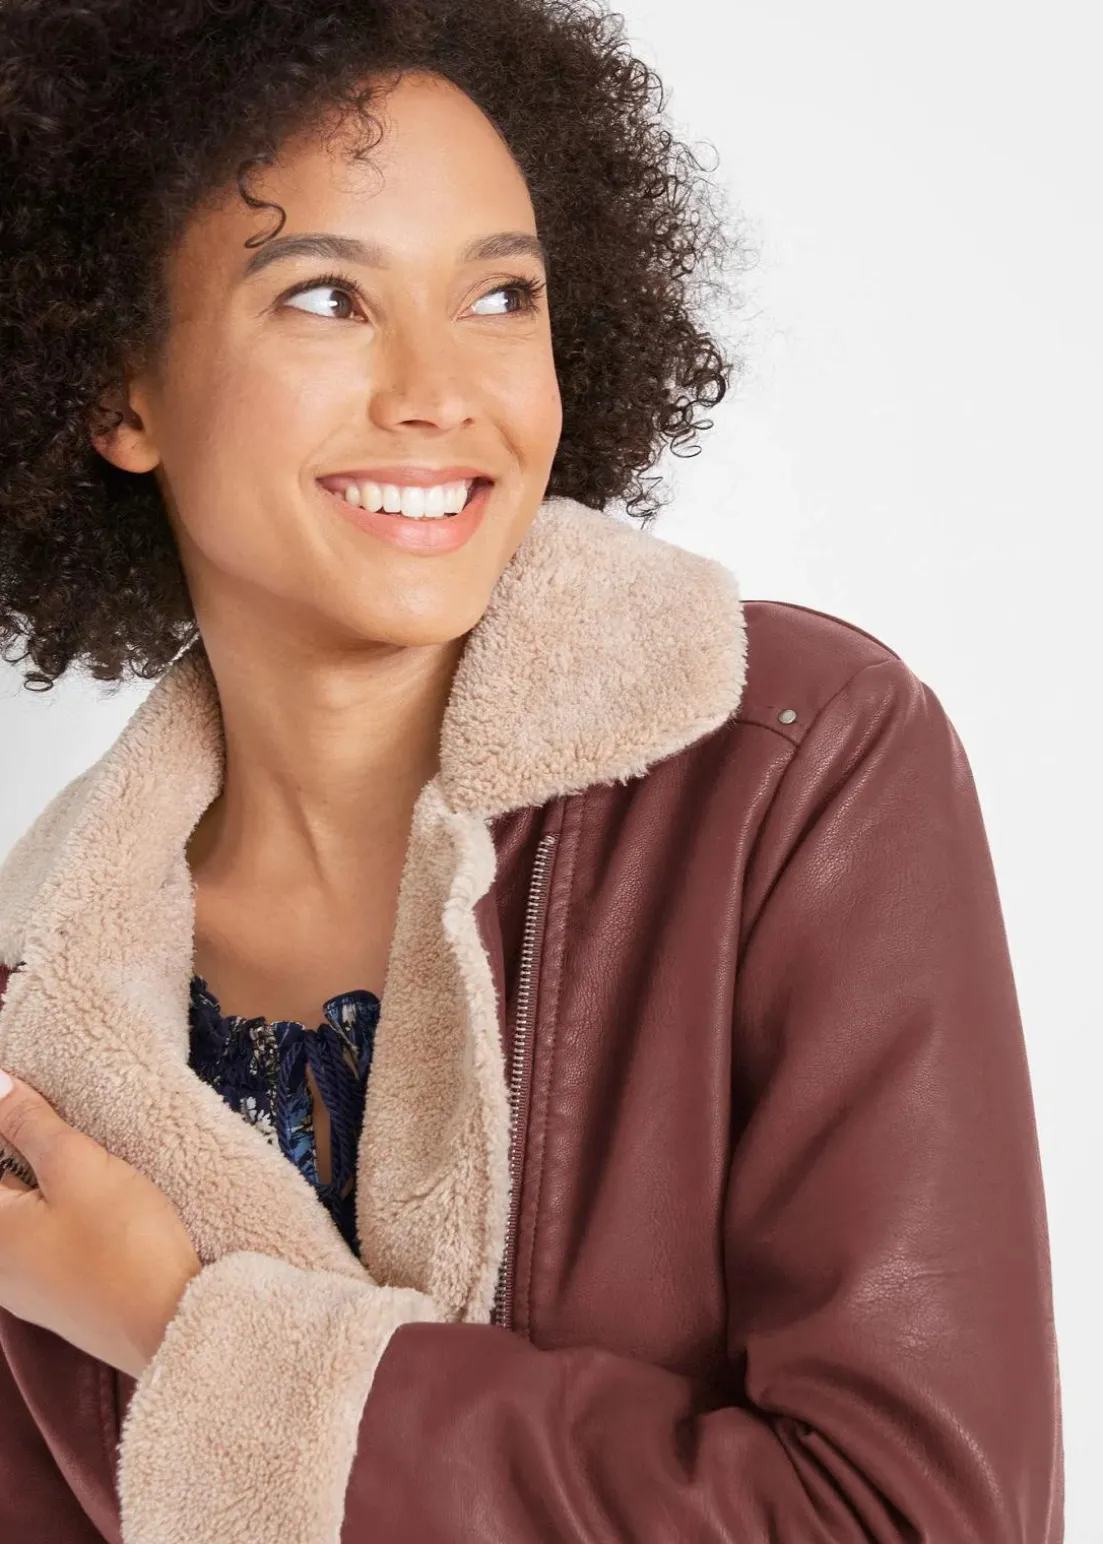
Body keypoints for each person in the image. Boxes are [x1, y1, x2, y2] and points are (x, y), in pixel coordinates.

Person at [0, 1, 1063, 1541]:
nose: (441, 390)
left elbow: (916, 1517)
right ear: (119, 393)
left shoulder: (785, 763)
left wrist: (179, 1327)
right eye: (325, 298)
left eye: (500, 295)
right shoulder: (40, 1016)